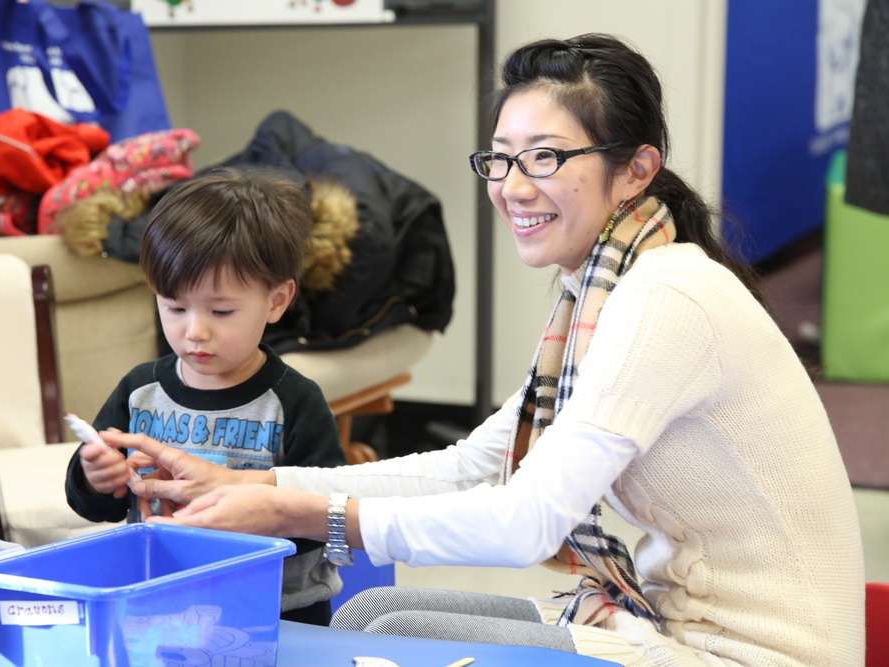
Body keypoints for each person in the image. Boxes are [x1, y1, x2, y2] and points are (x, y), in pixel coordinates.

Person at [103, 34, 866, 665]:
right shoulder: (600, 287)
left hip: (749, 654)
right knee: (368, 608)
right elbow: (477, 463)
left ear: (635, 169)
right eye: (501, 157)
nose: (511, 186)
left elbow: (525, 519)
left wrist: (294, 511)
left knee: (394, 633)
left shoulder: (664, 299)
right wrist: (248, 477)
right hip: (670, 618)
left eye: (544, 157)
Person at [64, 168, 348, 627]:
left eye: (221, 311)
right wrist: (96, 476)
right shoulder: (141, 393)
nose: (194, 331)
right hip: (161, 605)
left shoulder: (293, 401)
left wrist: (253, 518)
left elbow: (326, 515)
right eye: (174, 307)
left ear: (276, 301)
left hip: (279, 614)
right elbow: (97, 505)